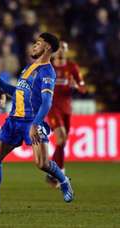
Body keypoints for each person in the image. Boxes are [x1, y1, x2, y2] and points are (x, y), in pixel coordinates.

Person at [0, 33, 74, 215]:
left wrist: (35, 124)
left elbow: (47, 102)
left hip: (32, 121)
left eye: (38, 43)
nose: (33, 46)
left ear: (47, 47)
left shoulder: (48, 72)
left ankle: (64, 181)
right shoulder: (28, 67)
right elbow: (16, 91)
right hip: (13, 120)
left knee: (41, 163)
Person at [46, 41, 86, 187]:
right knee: (61, 137)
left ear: (67, 50)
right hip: (51, 107)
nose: (61, 51)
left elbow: (83, 87)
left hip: (66, 108)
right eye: (59, 48)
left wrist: (76, 86)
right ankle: (55, 171)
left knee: (62, 142)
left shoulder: (72, 67)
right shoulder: (48, 67)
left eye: (64, 48)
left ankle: (57, 172)